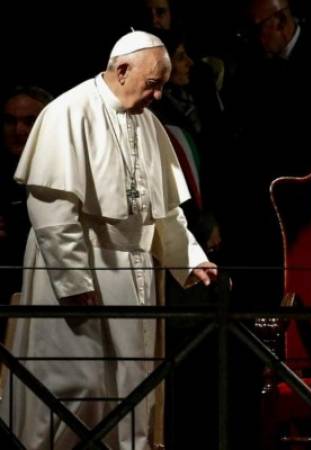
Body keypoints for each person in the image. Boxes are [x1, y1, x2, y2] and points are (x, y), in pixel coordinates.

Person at [0, 30, 217, 450]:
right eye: (152, 84)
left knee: (132, 382)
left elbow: (164, 210)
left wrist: (190, 258)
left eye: (162, 87)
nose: (158, 97)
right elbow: (51, 206)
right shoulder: (69, 112)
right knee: (74, 382)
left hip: (134, 274)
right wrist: (74, 278)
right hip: (82, 267)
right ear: (121, 70)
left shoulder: (149, 123)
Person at [0, 86, 54, 309]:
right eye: (11, 121)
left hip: (47, 290)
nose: (19, 130)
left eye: (29, 121)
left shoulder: (64, 176)